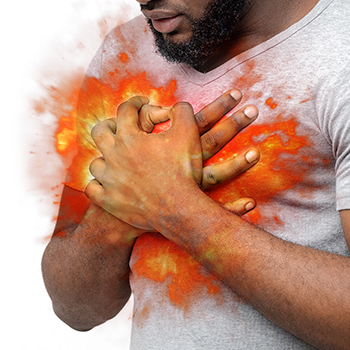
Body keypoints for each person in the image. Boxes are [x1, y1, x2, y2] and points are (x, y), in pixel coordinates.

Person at [41, 0, 350, 349]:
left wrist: (176, 208)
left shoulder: (340, 52)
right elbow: (74, 308)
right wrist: (118, 215)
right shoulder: (124, 52)